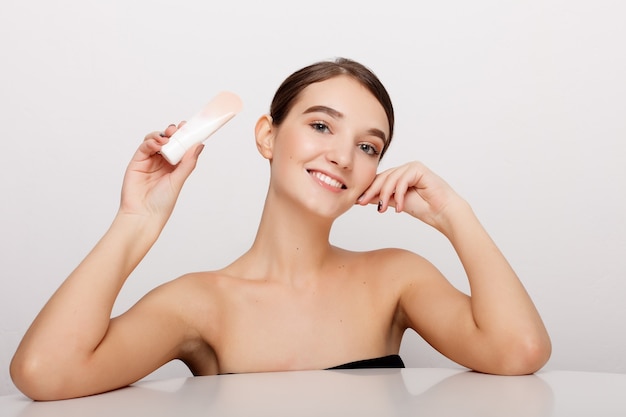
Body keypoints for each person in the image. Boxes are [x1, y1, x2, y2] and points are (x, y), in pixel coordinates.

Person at [10, 57, 551, 401]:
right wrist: (137, 221)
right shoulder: (199, 303)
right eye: (320, 126)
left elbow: (519, 351)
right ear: (267, 137)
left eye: (368, 146)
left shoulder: (395, 277)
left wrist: (457, 215)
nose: (342, 156)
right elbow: (45, 373)